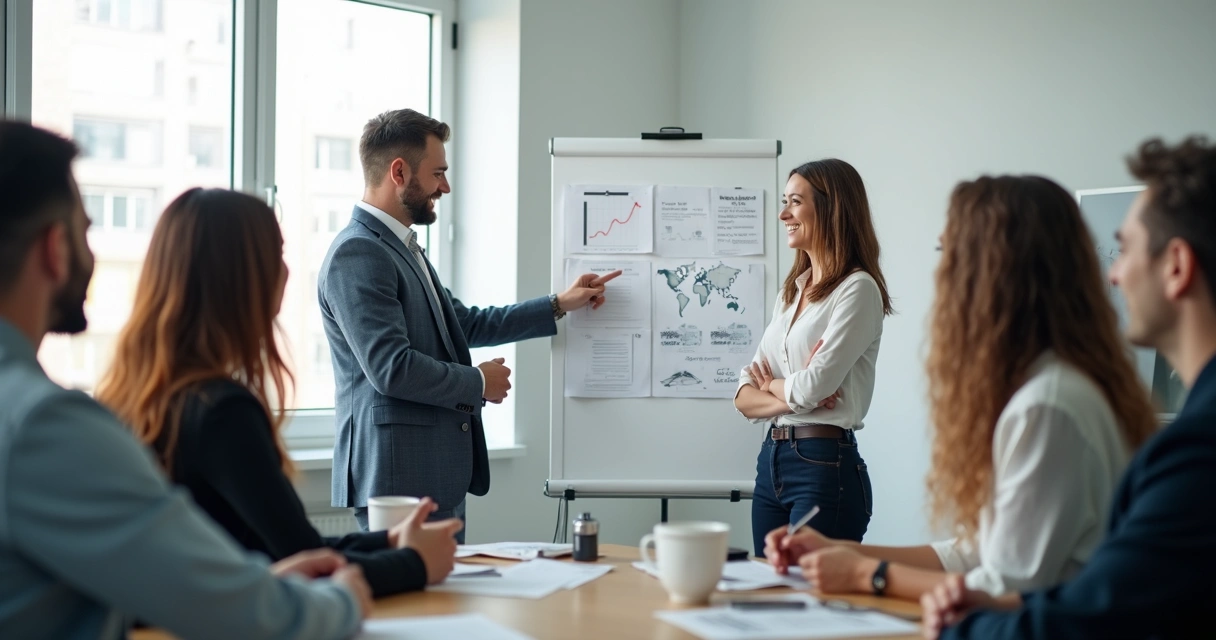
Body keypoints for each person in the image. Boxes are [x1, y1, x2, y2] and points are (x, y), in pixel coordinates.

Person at [0, 120, 371, 638]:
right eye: (86, 229)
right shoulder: (43, 425)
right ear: (53, 248)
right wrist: (342, 600)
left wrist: (254, 583)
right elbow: (251, 615)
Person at [765, 175, 1157, 602]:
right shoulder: (1048, 389)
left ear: (993, 270)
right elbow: (978, 552)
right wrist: (841, 551)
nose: (942, 273)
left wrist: (867, 574)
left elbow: (1005, 587)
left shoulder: (1048, 407)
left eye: (946, 252)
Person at [96, 188, 463, 599]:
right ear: (240, 277)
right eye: (278, 253)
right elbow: (304, 559)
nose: (287, 272)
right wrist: (415, 564)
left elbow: (274, 552)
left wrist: (390, 543)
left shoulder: (134, 397)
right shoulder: (223, 412)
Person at [922, 136, 1216, 639]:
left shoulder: (1195, 449)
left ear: (1176, 267)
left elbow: (1095, 617)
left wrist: (959, 625)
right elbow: (1100, 595)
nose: (1113, 274)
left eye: (1123, 250)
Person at [321, 108, 619, 536]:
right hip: (397, 481)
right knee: (416, 604)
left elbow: (466, 324)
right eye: (438, 172)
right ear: (399, 172)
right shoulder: (359, 254)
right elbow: (391, 368)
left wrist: (559, 304)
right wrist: (478, 383)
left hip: (430, 476)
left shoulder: (402, 248)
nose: (445, 186)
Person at [734, 159, 893, 556]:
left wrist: (772, 385)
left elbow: (812, 386)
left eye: (795, 202)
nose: (784, 214)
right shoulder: (790, 293)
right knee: (766, 593)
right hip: (771, 460)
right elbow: (743, 396)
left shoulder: (858, 290)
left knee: (809, 604)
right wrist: (792, 393)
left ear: (830, 207)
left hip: (823, 466)